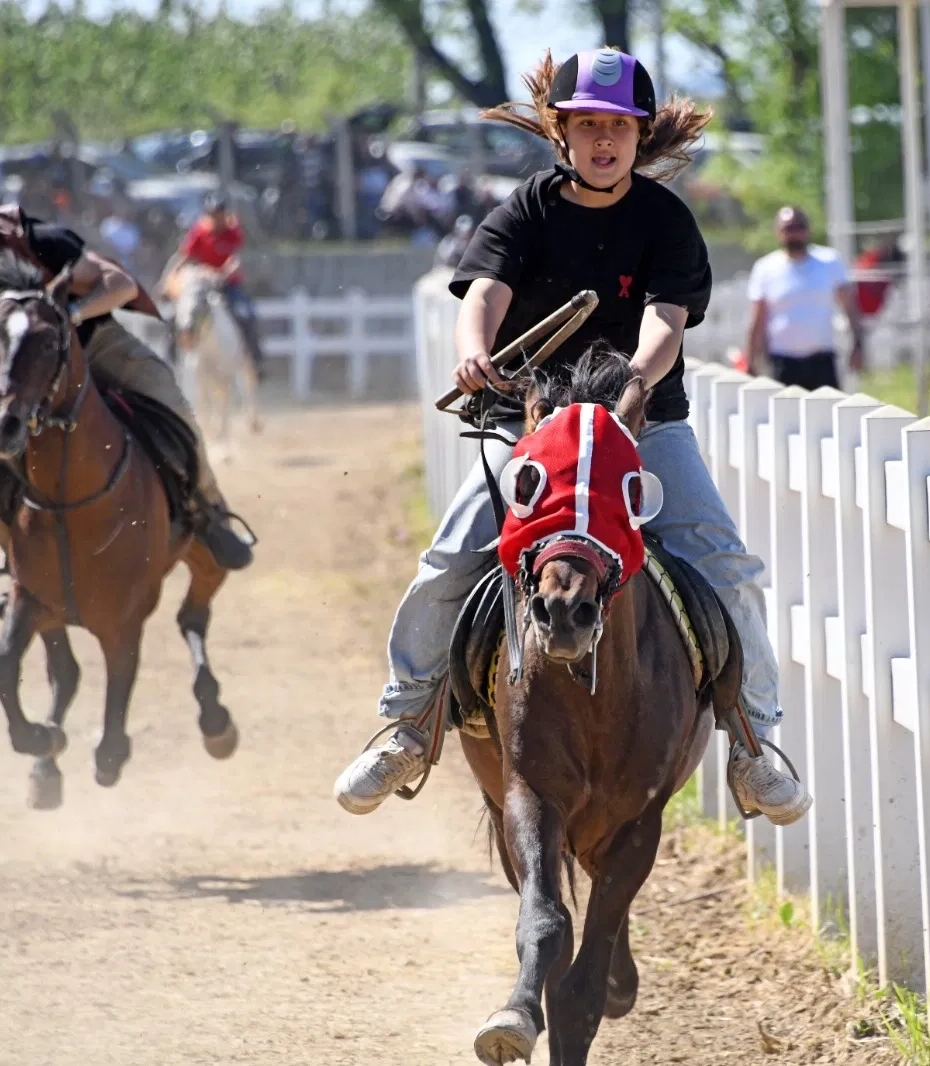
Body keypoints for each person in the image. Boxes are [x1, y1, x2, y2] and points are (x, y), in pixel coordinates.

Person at [332, 47, 812, 826]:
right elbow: (484, 294)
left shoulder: (666, 221)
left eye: (618, 126)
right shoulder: (525, 210)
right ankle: (410, 725)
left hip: (641, 424)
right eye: (587, 125)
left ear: (640, 135)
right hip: (528, 427)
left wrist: (633, 389)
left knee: (724, 560)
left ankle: (754, 744)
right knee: (453, 553)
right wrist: (474, 350)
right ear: (561, 133)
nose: (603, 140)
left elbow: (665, 324)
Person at [0, 164, 255, 616]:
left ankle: (210, 512)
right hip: (25, 377)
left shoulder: (34, 240)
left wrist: (71, 314)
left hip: (95, 345)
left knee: (171, 403)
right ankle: (18, 571)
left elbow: (119, 283)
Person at [741, 206, 865, 389]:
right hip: (783, 363)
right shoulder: (766, 268)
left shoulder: (829, 262)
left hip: (822, 361)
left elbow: (850, 307)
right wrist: (751, 361)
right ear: (778, 232)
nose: (794, 234)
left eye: (799, 227)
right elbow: (757, 319)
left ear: (807, 230)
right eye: (788, 228)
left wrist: (858, 344)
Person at [164, 191, 267, 377]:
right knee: (174, 315)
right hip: (203, 282)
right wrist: (170, 277)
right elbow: (186, 256)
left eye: (219, 213)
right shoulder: (199, 231)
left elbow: (236, 258)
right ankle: (171, 361)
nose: (216, 218)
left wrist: (227, 272)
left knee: (245, 314)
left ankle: (255, 360)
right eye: (213, 214)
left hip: (228, 283)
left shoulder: (233, 231)